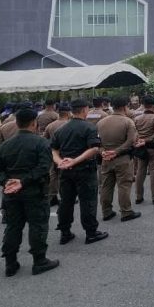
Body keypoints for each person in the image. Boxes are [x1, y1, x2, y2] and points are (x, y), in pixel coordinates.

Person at [0, 107, 58, 277]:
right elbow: (43, 168)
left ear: (17, 123)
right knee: (38, 225)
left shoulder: (5, 145)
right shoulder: (41, 143)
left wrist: (7, 181)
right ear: (34, 123)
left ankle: (10, 262)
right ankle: (39, 260)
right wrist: (23, 181)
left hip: (11, 192)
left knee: (13, 227)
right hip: (35, 191)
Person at [51, 99, 108, 246]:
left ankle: (65, 232)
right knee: (88, 201)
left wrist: (60, 162)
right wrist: (75, 161)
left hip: (66, 171)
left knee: (66, 202)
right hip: (85, 170)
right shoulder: (89, 128)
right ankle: (91, 233)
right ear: (84, 110)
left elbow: (53, 150)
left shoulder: (61, 129)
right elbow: (94, 148)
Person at [97, 96, 140, 222]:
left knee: (106, 185)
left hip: (106, 159)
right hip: (123, 158)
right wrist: (116, 151)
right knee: (124, 185)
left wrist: (103, 152)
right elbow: (131, 141)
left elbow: (96, 142)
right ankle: (126, 211)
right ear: (124, 107)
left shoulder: (101, 122)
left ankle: (106, 211)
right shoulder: (128, 122)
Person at [133, 96, 154, 206]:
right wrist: (148, 140)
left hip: (140, 148)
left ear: (143, 105)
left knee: (140, 172)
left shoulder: (137, 119)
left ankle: (138, 196)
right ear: (153, 106)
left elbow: (134, 133)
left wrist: (140, 141)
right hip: (152, 147)